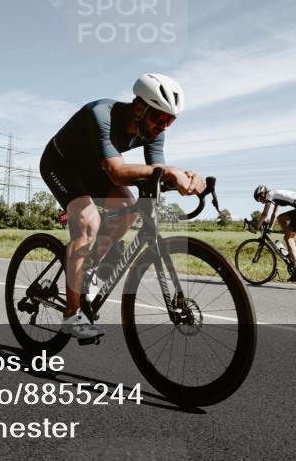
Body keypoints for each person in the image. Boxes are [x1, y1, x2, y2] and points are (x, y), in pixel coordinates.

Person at [40, 73, 205, 341]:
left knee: (128, 207)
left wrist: (187, 180)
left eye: (170, 120)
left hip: (93, 167)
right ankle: (71, 316)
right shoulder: (101, 114)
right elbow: (117, 172)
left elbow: (155, 172)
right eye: (159, 118)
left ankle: (89, 268)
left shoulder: (154, 133)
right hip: (61, 163)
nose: (164, 126)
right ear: (139, 108)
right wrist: (169, 172)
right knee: (88, 224)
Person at [248, 186, 296, 282]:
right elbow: (275, 214)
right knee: (281, 219)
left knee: (288, 238)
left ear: (262, 194)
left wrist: (256, 227)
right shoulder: (275, 195)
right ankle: (291, 250)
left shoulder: (270, 195)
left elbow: (264, 214)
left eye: (259, 199)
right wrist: (270, 228)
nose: (261, 202)